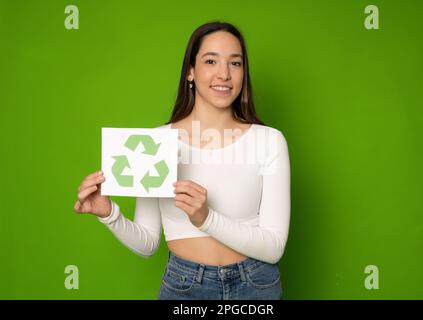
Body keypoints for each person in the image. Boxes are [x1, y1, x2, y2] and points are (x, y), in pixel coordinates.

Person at [74, 21, 291, 300]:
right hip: (185, 288)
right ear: (191, 71)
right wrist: (109, 215)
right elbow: (148, 242)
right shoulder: (156, 143)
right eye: (211, 60)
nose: (224, 74)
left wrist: (205, 218)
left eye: (235, 63)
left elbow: (274, 247)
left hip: (256, 286)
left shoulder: (269, 140)